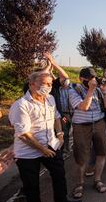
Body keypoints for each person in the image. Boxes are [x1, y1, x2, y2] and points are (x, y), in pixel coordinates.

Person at [9, 72, 77, 202]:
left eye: (50, 84)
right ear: (32, 84)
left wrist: (60, 135)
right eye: (45, 83)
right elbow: (23, 134)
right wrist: (42, 149)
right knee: (32, 186)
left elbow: (56, 117)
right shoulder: (21, 105)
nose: (49, 87)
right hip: (28, 153)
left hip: (51, 144)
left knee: (59, 176)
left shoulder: (50, 98)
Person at [69, 67, 106, 199]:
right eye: (90, 78)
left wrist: (104, 92)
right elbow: (84, 107)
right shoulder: (74, 91)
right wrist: (91, 90)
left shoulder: (98, 90)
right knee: (82, 156)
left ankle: (97, 180)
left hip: (98, 123)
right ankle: (79, 184)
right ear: (81, 79)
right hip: (81, 126)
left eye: (94, 77)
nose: (93, 80)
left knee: (102, 153)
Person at [44, 53, 73, 155]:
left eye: (49, 81)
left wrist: (53, 63)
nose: (47, 84)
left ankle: (62, 150)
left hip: (58, 115)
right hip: (43, 119)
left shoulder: (54, 86)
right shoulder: (35, 91)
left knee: (61, 133)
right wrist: (48, 68)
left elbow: (65, 77)